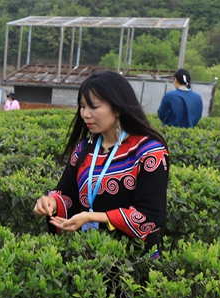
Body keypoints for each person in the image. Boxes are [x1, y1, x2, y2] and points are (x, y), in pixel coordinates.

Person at [33, 70, 169, 251]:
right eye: (82, 106)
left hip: (133, 261)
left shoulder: (150, 152)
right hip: (88, 256)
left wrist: (94, 217)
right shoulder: (83, 148)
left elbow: (151, 215)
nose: (85, 114)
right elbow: (68, 195)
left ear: (118, 108)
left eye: (94, 107)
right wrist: (52, 203)